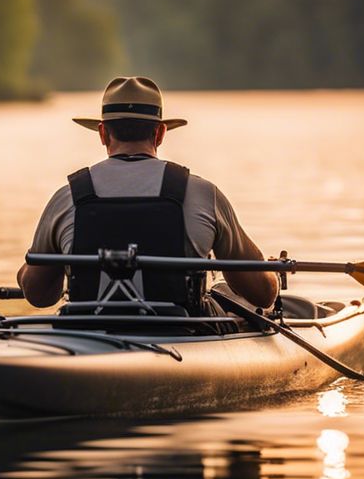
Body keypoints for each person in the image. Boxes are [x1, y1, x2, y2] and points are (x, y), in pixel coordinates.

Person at [17, 76, 278, 310]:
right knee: (224, 292)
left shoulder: (68, 197)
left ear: (103, 133)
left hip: (87, 336)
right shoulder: (202, 194)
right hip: (183, 338)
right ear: (160, 133)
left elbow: (39, 295)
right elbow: (263, 294)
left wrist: (28, 272)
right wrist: (273, 273)